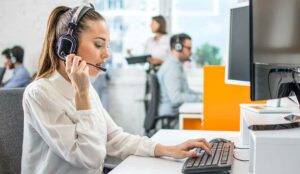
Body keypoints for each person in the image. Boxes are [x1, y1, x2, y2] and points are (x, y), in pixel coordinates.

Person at [21, 5, 211, 174]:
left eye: (108, 45)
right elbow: (89, 159)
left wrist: (168, 149)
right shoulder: (40, 94)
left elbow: (114, 138)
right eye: (98, 44)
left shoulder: (85, 88)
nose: (107, 54)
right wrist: (82, 95)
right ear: (68, 47)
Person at [157, 33, 202, 117]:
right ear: (178, 48)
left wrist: (205, 96)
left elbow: (186, 91)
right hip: (171, 118)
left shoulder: (177, 66)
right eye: (188, 48)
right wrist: (202, 99)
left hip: (175, 113)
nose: (191, 52)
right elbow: (176, 98)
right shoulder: (172, 68)